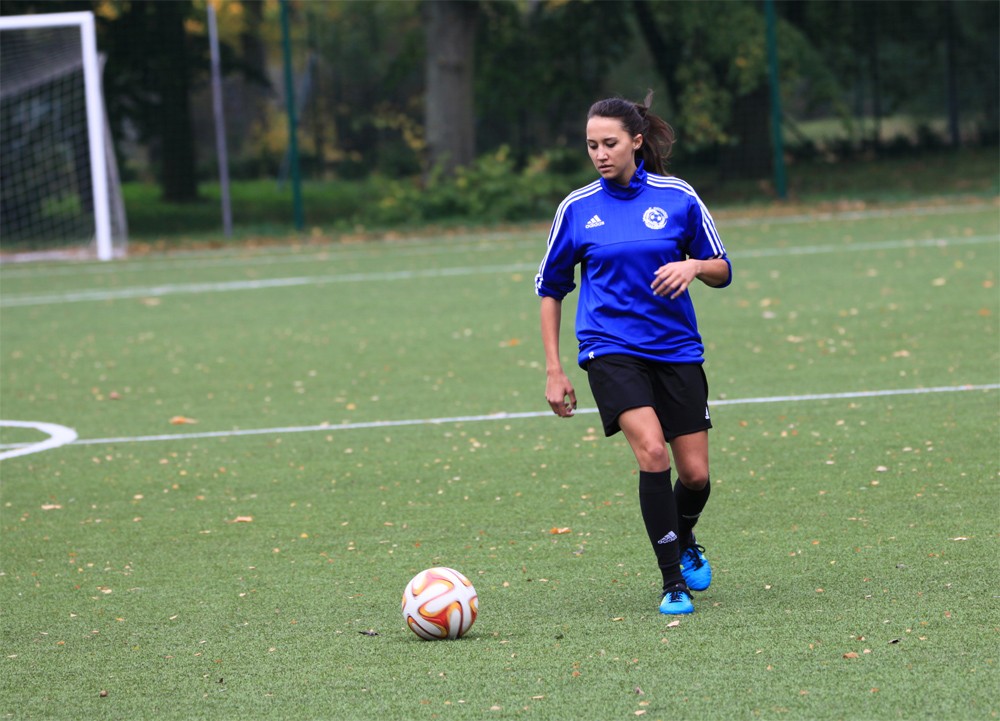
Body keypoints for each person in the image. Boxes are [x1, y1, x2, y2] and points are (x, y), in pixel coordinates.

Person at [534, 92, 731, 615]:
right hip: (610, 348)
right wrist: (554, 369)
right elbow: (551, 289)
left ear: (636, 142)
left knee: (695, 476)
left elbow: (722, 268)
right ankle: (672, 582)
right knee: (652, 453)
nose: (599, 154)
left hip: (676, 349)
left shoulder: (678, 196)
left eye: (610, 143)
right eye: (591, 145)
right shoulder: (577, 209)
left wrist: (693, 267)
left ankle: (684, 537)